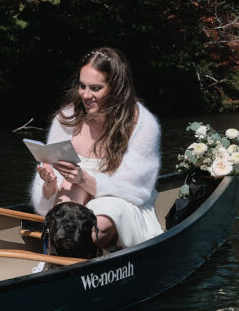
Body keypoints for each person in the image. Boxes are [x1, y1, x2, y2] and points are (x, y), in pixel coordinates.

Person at [30, 47, 163, 250]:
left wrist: (84, 179)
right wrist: (48, 186)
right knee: (64, 220)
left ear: (116, 88)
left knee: (95, 228)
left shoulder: (143, 124)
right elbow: (46, 199)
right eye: (82, 86)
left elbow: (137, 190)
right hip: (75, 196)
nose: (85, 95)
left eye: (95, 88)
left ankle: (80, 255)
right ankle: (62, 255)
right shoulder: (66, 119)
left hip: (123, 202)